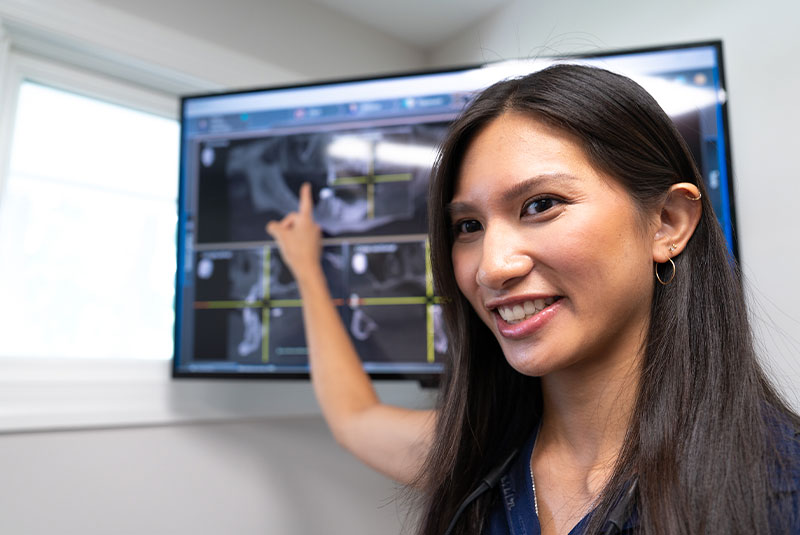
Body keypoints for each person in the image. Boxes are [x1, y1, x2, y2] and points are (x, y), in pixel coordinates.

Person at [267, 64, 800, 535]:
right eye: (468, 226)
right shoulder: (478, 458)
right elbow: (354, 418)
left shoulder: (781, 491)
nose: (492, 267)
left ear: (667, 223)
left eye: (541, 205)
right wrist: (307, 269)